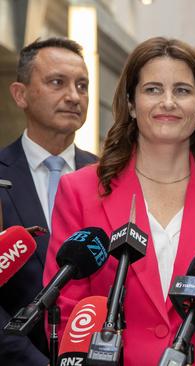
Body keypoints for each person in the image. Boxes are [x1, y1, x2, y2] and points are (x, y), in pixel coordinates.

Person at [42, 37, 195, 365]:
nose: (168, 102)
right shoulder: (79, 190)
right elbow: (66, 304)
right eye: (153, 89)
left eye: (183, 91)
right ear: (131, 103)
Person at [0, 37, 97, 365]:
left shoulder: (111, 178)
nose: (73, 96)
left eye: (82, 85)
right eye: (57, 82)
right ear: (20, 94)